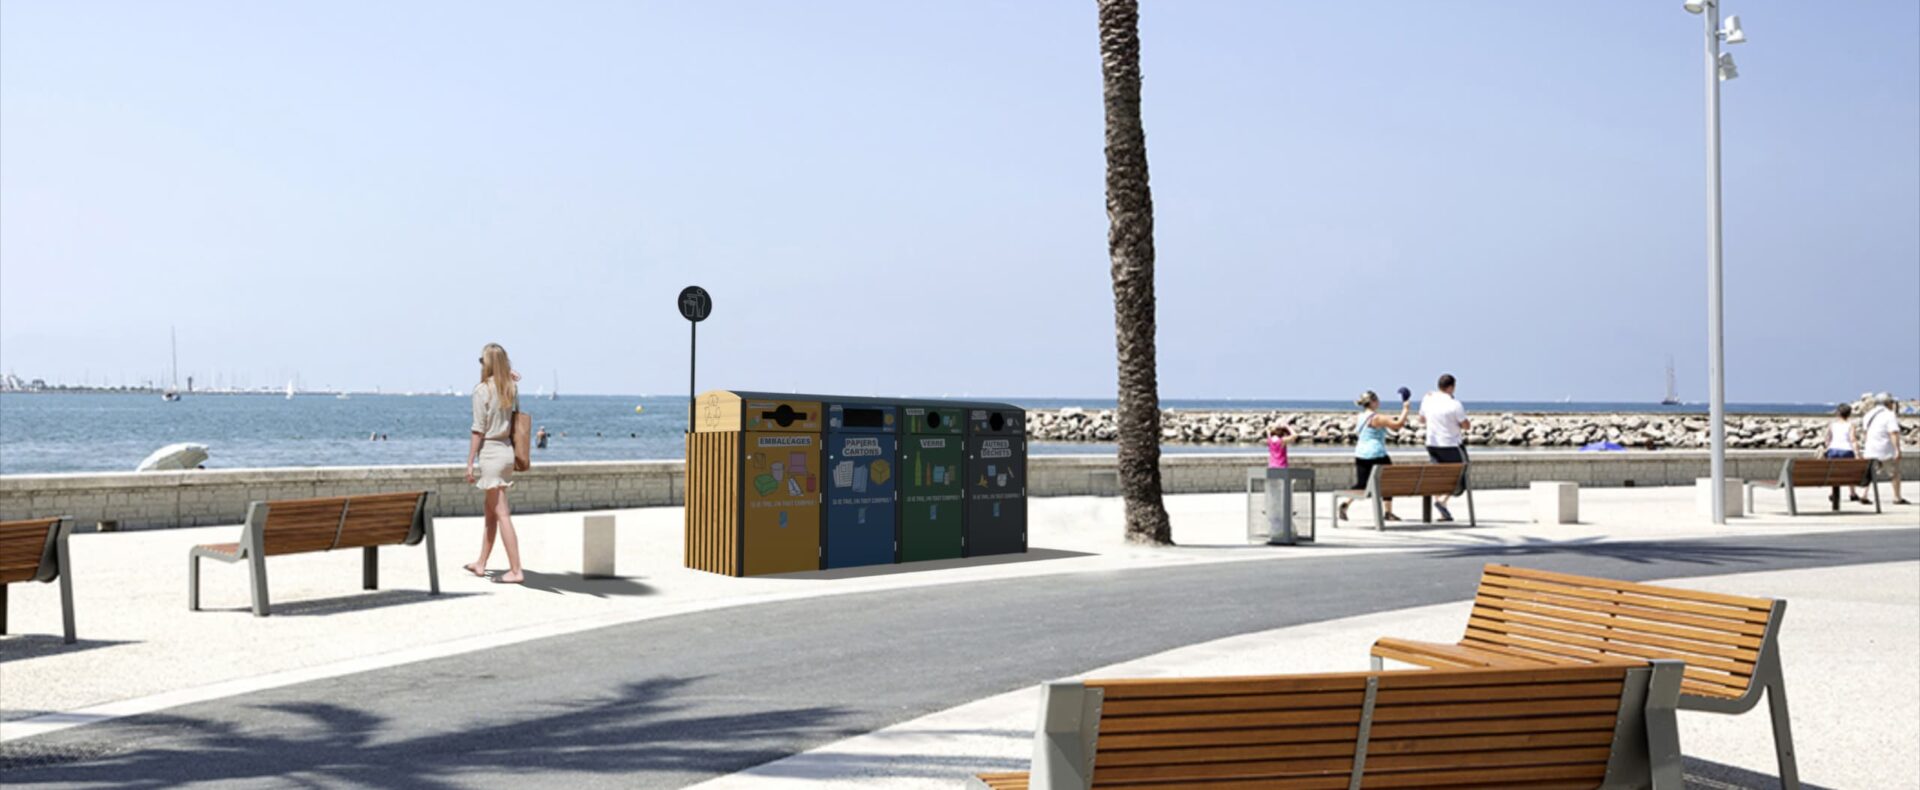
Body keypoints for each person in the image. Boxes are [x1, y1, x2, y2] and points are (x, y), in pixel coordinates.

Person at [464, 343, 525, 584]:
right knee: (490, 513)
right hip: (506, 451)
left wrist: (470, 462)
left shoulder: (481, 390)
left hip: (490, 452)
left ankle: (516, 569)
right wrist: (511, 376)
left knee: (501, 513)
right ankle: (481, 563)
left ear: (487, 364)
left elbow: (477, 430)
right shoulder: (510, 388)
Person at [1342, 391, 1409, 522]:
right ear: (1372, 402)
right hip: (1377, 454)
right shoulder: (1376, 418)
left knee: (1361, 484)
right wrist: (1405, 409)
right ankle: (1388, 512)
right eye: (1377, 399)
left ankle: (1345, 505)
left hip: (1361, 454)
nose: (1379, 402)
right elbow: (1398, 425)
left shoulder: (1361, 416)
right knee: (1389, 482)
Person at [1417, 374, 1471, 522]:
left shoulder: (1427, 399)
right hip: (1451, 445)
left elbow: (1421, 420)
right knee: (1461, 473)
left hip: (1432, 444)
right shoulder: (1455, 404)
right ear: (1451, 387)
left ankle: (1442, 511)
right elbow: (1466, 425)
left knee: (1438, 475)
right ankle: (1442, 501)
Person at [1863, 392, 1909, 505]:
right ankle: (1897, 497)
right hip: (1884, 449)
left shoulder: (1868, 414)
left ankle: (1864, 495)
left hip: (1870, 449)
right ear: (1888, 403)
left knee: (1870, 473)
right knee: (1894, 473)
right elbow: (1893, 433)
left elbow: (1865, 433)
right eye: (1892, 402)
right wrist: (1897, 449)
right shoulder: (1889, 415)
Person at [1823, 403, 1866, 506]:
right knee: (1849, 472)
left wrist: (1828, 447)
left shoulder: (1832, 425)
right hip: (1847, 451)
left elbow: (1827, 439)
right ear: (1849, 414)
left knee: (1834, 472)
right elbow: (1853, 440)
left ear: (1838, 413)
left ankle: (1833, 492)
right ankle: (1852, 492)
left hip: (1833, 450)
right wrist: (1857, 454)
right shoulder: (1850, 425)